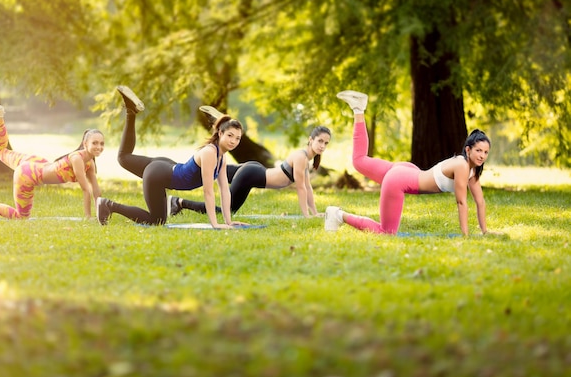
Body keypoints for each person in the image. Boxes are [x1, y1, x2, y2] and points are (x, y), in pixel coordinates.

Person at [325, 90, 491, 236]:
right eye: (478, 151)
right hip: (400, 180)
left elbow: (480, 202)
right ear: (468, 150)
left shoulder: (472, 171)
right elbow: (461, 202)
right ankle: (338, 215)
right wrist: (465, 236)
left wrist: (485, 232)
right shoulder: (462, 165)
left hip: (406, 171)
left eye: (485, 152)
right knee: (387, 233)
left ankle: (358, 108)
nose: (482, 155)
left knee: (359, 161)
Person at [96, 86, 245, 229]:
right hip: (158, 175)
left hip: (166, 167)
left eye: (237, 138)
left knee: (124, 158)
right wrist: (215, 224)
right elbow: (208, 192)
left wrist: (228, 221)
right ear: (220, 134)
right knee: (156, 221)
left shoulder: (222, 158)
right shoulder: (210, 154)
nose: (233, 141)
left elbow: (225, 190)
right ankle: (109, 205)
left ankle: (131, 111)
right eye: (230, 135)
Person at [168, 106, 330, 218]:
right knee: (226, 211)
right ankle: (178, 202)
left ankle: (219, 121)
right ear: (311, 140)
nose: (322, 146)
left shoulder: (305, 159)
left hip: (254, 171)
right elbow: (301, 188)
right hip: (252, 175)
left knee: (214, 170)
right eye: (320, 141)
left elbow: (307, 187)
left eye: (326, 143)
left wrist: (314, 212)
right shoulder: (301, 157)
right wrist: (308, 215)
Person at [0, 102, 104, 219]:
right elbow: (86, 189)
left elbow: (96, 190)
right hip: (28, 174)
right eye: (95, 143)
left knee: (1, 151)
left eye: (102, 144)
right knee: (21, 217)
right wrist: (88, 216)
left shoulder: (89, 162)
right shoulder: (77, 159)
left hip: (37, 163)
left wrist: (99, 213)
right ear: (85, 143)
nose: (99, 147)